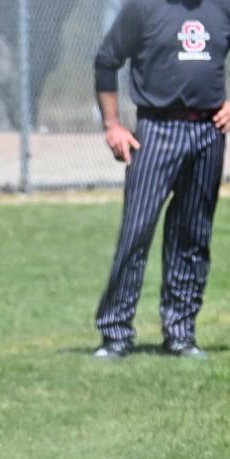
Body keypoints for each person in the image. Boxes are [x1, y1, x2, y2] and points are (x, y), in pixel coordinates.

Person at [92, 0, 230, 359]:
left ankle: (181, 333)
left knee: (192, 235)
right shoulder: (143, 7)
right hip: (156, 129)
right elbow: (106, 60)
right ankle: (116, 333)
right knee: (136, 232)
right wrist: (112, 125)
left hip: (209, 130)